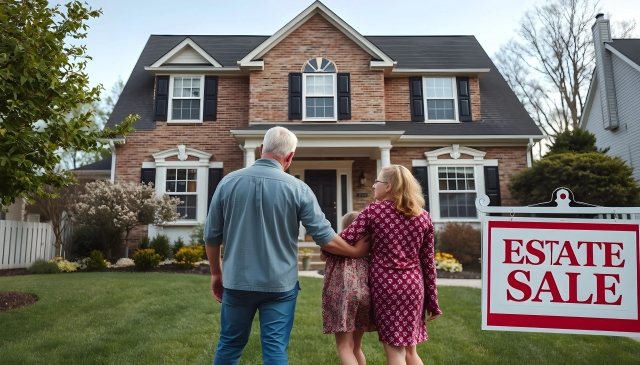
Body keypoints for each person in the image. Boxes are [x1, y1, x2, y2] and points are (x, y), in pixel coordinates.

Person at [203, 126, 370, 365]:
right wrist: (354, 251)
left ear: (262, 149)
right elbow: (325, 236)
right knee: (275, 348)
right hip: (279, 286)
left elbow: (211, 236)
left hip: (237, 281)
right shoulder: (298, 189)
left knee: (229, 344)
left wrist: (216, 273)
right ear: (290, 157)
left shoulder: (227, 183)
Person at [339, 165, 441, 365]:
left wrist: (326, 246)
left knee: (395, 353)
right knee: (411, 353)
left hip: (387, 287)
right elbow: (429, 263)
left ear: (389, 186)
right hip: (414, 287)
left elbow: (346, 238)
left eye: (377, 182)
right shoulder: (423, 216)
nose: (373, 186)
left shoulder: (374, 211)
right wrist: (433, 301)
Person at [320, 211, 376, 365]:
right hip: (364, 294)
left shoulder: (338, 243)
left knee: (344, 346)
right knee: (356, 347)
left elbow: (323, 255)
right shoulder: (367, 245)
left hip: (342, 295)